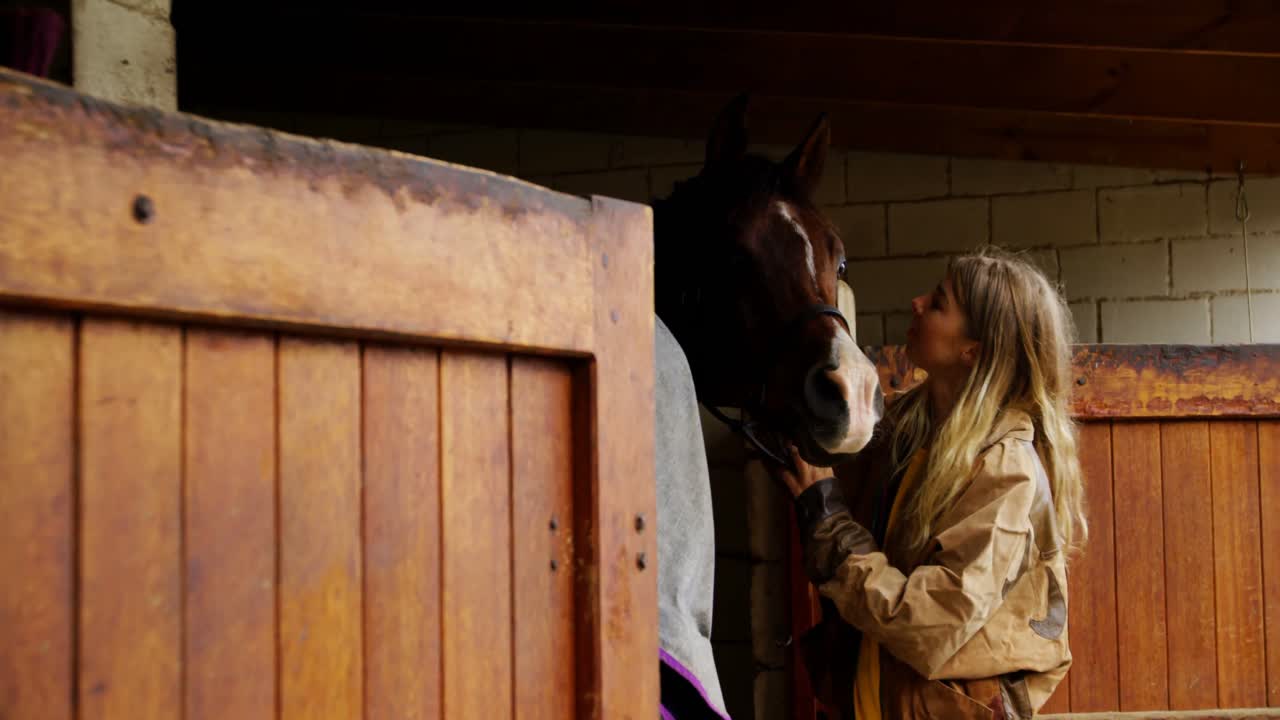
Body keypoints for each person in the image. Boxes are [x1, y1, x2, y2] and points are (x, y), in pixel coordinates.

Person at [775, 247, 1086, 719]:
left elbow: (931, 622)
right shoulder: (913, 429)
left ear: (972, 351)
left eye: (938, 303)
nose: (917, 303)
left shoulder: (1006, 472)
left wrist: (827, 521)